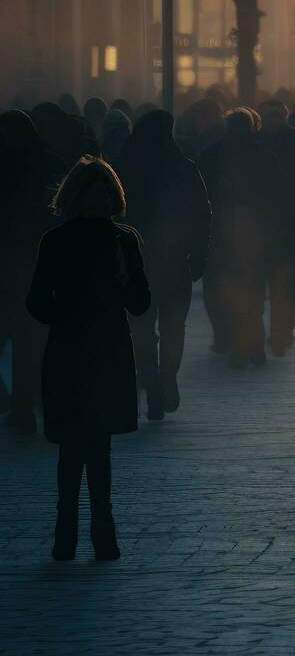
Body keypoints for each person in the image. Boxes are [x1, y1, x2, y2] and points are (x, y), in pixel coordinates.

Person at [26, 157, 151, 561]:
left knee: (89, 444)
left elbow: (139, 301)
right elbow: (37, 299)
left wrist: (122, 279)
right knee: (85, 444)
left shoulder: (120, 241)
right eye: (91, 194)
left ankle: (79, 533)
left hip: (89, 349)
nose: (98, 202)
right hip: (83, 349)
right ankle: (93, 532)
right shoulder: (66, 241)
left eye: (103, 194)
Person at [117, 110, 210, 420]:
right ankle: (168, 375)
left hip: (136, 262)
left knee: (141, 328)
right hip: (173, 262)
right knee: (173, 326)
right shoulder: (183, 167)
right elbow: (201, 213)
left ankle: (152, 384)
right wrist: (198, 254)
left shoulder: (126, 168)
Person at [197, 108, 269, 366]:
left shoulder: (211, 154)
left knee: (227, 287)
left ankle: (236, 342)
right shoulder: (262, 155)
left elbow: (202, 196)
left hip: (221, 231)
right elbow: (272, 195)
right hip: (253, 233)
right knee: (253, 287)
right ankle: (255, 344)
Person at [1, 111, 58, 433]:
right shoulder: (48, 164)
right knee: (28, 346)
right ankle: (23, 407)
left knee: (26, 345)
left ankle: (20, 408)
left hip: (21, 270)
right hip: (34, 269)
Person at [256, 100, 295, 358]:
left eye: (276, 115)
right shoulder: (255, 143)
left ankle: (282, 330)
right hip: (264, 226)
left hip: (291, 224)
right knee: (270, 280)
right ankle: (274, 331)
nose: (272, 120)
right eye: (268, 116)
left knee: (289, 283)